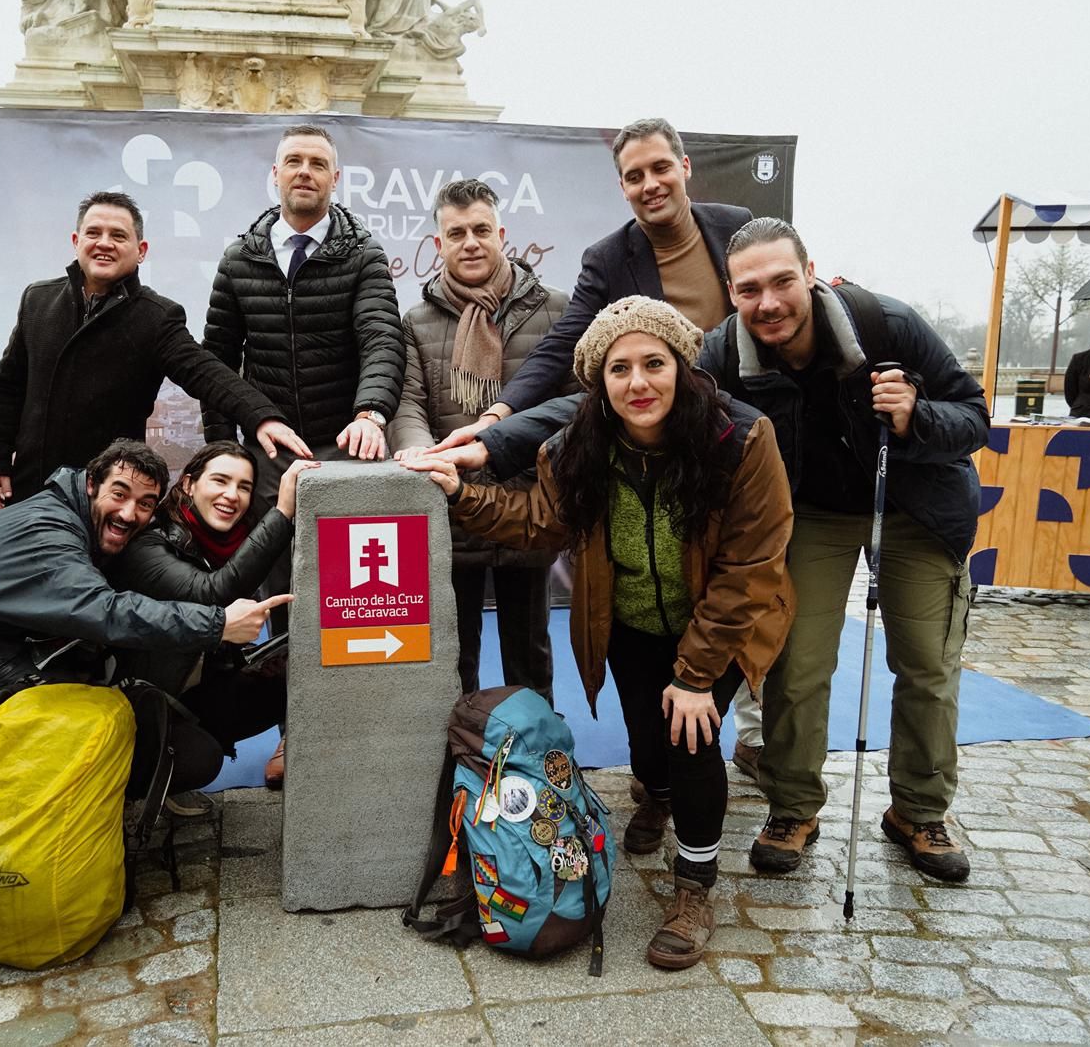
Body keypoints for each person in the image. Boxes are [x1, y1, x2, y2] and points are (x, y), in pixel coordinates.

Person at [405, 296, 793, 971]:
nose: (638, 382)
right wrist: (462, 495)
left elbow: (751, 565)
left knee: (689, 736)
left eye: (653, 363)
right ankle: (658, 794)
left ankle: (694, 887)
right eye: (620, 368)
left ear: (680, 366)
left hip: (721, 621)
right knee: (648, 745)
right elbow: (537, 522)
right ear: (600, 382)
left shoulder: (742, 439)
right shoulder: (577, 445)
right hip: (632, 621)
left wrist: (697, 674)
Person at [428, 115, 766, 783]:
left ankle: (756, 750)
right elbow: (563, 355)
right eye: (634, 176)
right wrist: (497, 418)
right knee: (655, 608)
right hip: (658, 456)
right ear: (621, 186)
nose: (649, 184)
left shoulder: (737, 229)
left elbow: (774, 309)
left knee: (747, 597)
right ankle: (657, 774)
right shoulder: (610, 259)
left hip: (736, 444)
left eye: (659, 169)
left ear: (685, 167)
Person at [701, 218, 987, 883]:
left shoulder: (888, 324)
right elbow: (687, 420)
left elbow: (974, 417)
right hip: (811, 515)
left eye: (780, 282)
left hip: (912, 505)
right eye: (750, 289)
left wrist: (917, 414)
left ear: (809, 273)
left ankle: (917, 809)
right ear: (732, 293)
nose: (768, 302)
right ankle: (792, 806)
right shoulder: (722, 351)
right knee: (795, 664)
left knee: (927, 664)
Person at [0, 439, 287, 814]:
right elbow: (103, 611)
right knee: (57, 699)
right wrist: (216, 625)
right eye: (119, 494)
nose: (129, 512)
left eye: (145, 503)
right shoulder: (51, 531)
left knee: (48, 684)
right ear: (91, 485)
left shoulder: (68, 517)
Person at [203, 123, 404, 781]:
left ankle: (361, 729)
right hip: (270, 458)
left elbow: (380, 337)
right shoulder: (239, 259)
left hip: (346, 448)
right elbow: (217, 364)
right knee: (282, 605)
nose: (305, 172)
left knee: (355, 598)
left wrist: (371, 410)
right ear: (276, 173)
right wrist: (220, 454)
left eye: (319, 163)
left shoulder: (362, 253)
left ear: (335, 178)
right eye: (294, 161)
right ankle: (294, 735)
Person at [0, 190, 309, 509]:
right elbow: (9, 387)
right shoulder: (37, 300)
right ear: (76, 242)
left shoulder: (156, 317)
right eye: (93, 232)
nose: (104, 243)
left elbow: (205, 373)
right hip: (31, 490)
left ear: (141, 250)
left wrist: (262, 417)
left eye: (118, 236)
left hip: (106, 499)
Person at [388, 178, 571, 703]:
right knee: (453, 655)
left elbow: (574, 401)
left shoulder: (555, 310)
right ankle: (460, 763)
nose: (470, 242)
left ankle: (538, 765)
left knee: (529, 653)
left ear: (501, 234)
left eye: (481, 230)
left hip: (527, 505)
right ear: (439, 243)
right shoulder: (417, 322)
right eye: (457, 232)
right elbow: (408, 402)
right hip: (450, 502)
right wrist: (424, 452)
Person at [114, 443, 318, 792]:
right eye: (220, 481)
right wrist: (283, 512)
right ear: (189, 484)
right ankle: (128, 781)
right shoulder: (149, 543)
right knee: (201, 759)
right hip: (136, 703)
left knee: (298, 669)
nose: (231, 495)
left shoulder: (228, 540)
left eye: (244, 487)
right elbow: (212, 593)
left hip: (192, 686)